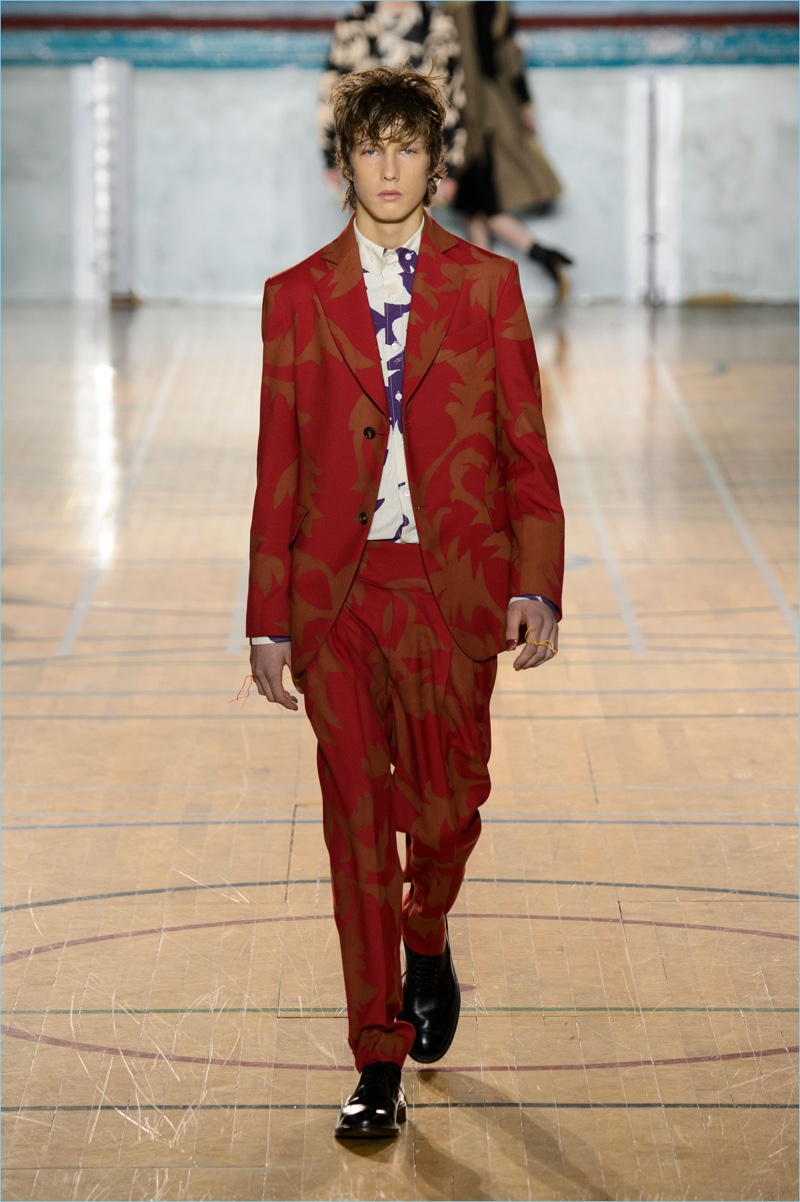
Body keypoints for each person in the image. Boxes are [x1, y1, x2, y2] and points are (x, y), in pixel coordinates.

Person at [247, 64, 564, 1140]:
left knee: (447, 807)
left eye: (408, 147)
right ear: (344, 164)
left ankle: (426, 926)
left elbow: (523, 445)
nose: (389, 168)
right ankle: (374, 1054)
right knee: (352, 820)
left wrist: (535, 579)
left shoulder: (488, 286)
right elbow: (278, 465)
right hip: (336, 598)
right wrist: (269, 616)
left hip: (449, 585)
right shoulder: (295, 295)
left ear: (435, 165)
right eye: (370, 147)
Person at [446, 0, 574, 300]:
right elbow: (508, 56)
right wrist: (523, 103)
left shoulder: (462, 8)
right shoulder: (495, 6)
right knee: (475, 205)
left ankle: (538, 257)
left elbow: (476, 61)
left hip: (475, 116)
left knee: (480, 202)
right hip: (488, 109)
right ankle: (486, 285)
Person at [318, 1, 465, 204]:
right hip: (364, 151)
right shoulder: (354, 24)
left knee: (414, 218)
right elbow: (331, 93)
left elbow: (454, 95)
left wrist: (452, 165)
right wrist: (329, 157)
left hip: (421, 155)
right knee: (370, 218)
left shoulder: (439, 24)